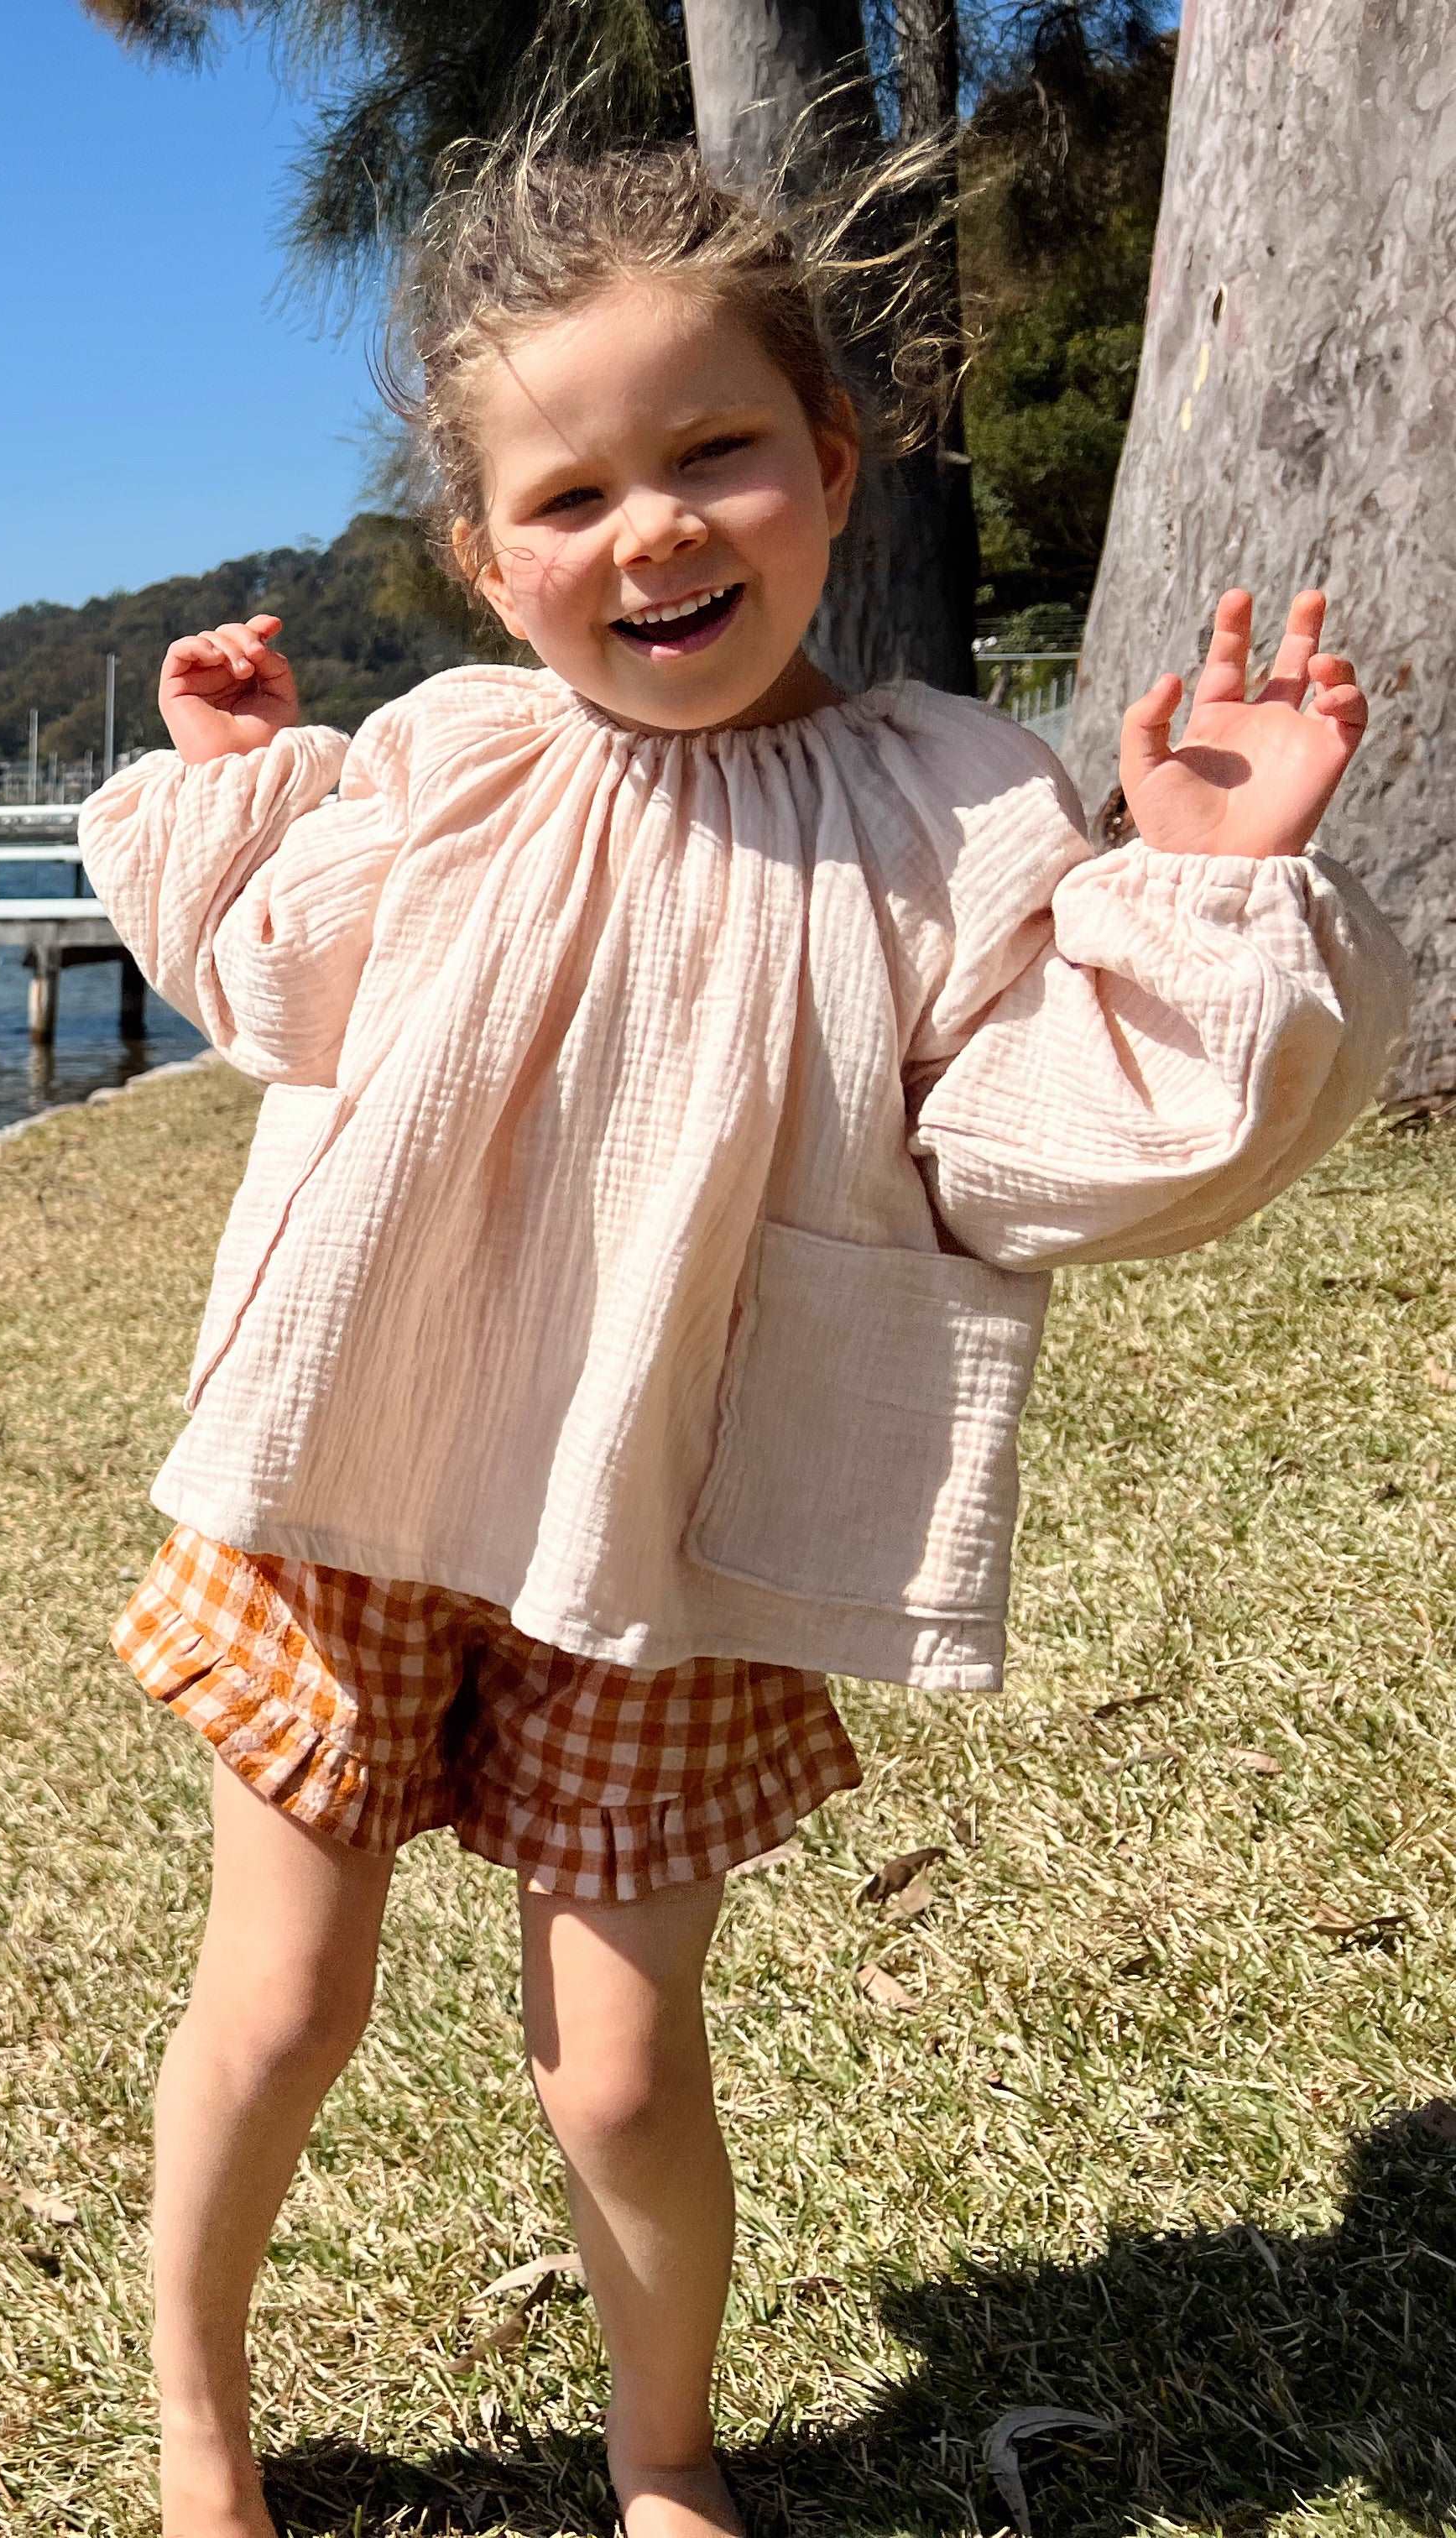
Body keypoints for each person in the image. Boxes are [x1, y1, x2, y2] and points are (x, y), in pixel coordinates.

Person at [76, 131, 1406, 2538]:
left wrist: (1204, 898)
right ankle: (198, 2425)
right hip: (349, 1474)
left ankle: (664, 2451)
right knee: (279, 2009)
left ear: (828, 463)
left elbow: (1044, 1150)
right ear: (487, 564)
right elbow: (276, 978)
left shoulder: (955, 809)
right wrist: (237, 781)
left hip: (670, 1519)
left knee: (615, 2066)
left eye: (714, 454)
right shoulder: (458, 759)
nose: (656, 528)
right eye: (571, 494)